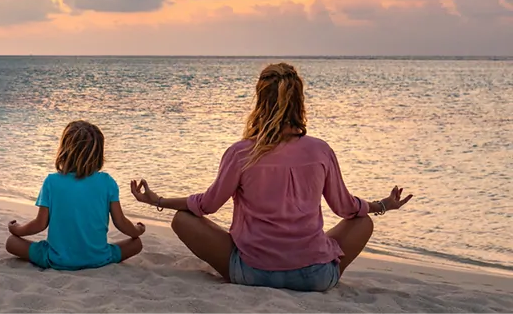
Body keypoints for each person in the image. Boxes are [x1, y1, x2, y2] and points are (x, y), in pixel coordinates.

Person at [129, 62, 414, 292]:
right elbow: (347, 209)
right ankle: (310, 259)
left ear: (260, 102)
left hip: (251, 272)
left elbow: (206, 205)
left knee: (183, 218)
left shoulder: (241, 152)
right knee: (362, 222)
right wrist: (383, 205)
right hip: (315, 277)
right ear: (299, 101)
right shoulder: (320, 150)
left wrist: (159, 200)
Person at [6, 120, 145, 270]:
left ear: (65, 151)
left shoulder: (51, 182)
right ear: (98, 154)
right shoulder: (108, 182)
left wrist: (17, 230)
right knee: (136, 244)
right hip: (98, 258)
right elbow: (121, 222)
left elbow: (40, 224)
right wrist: (137, 230)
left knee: (11, 242)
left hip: (57, 260)